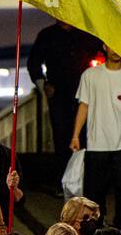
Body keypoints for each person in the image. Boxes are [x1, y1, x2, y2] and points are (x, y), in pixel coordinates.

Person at [72, 44, 121, 231]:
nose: (116, 49)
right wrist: (75, 135)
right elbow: (84, 106)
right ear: (104, 47)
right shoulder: (90, 75)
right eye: (112, 45)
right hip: (97, 142)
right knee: (95, 191)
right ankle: (97, 225)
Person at [28, 19, 104, 183]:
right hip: (58, 95)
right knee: (61, 138)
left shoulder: (87, 34)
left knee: (86, 137)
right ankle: (64, 180)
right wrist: (43, 83)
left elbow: (103, 53)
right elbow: (34, 62)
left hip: (85, 94)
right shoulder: (47, 35)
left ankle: (85, 180)